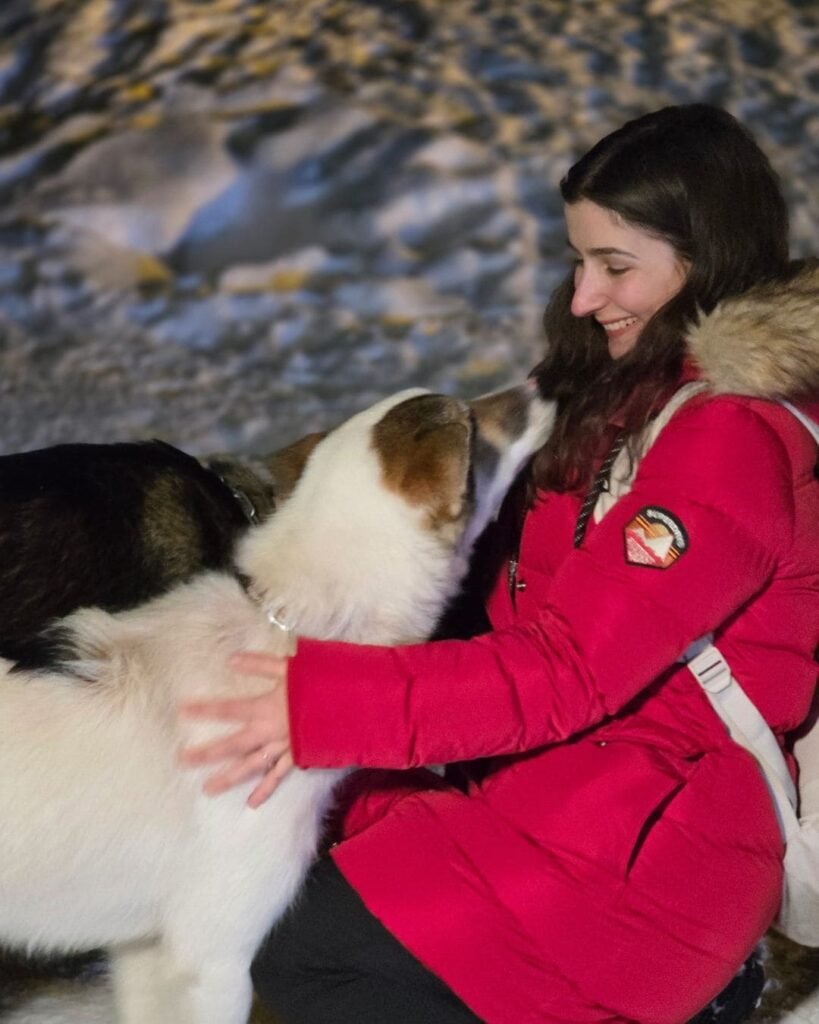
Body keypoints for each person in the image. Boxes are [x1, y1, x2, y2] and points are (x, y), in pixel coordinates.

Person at [181, 105, 819, 1024]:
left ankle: (701, 995)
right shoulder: (623, 390)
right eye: (577, 260)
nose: (581, 298)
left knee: (288, 938)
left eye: (614, 267)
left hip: (646, 870)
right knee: (285, 855)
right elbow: (499, 596)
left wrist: (319, 707)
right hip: (562, 805)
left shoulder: (727, 438)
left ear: (704, 258)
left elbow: (568, 667)